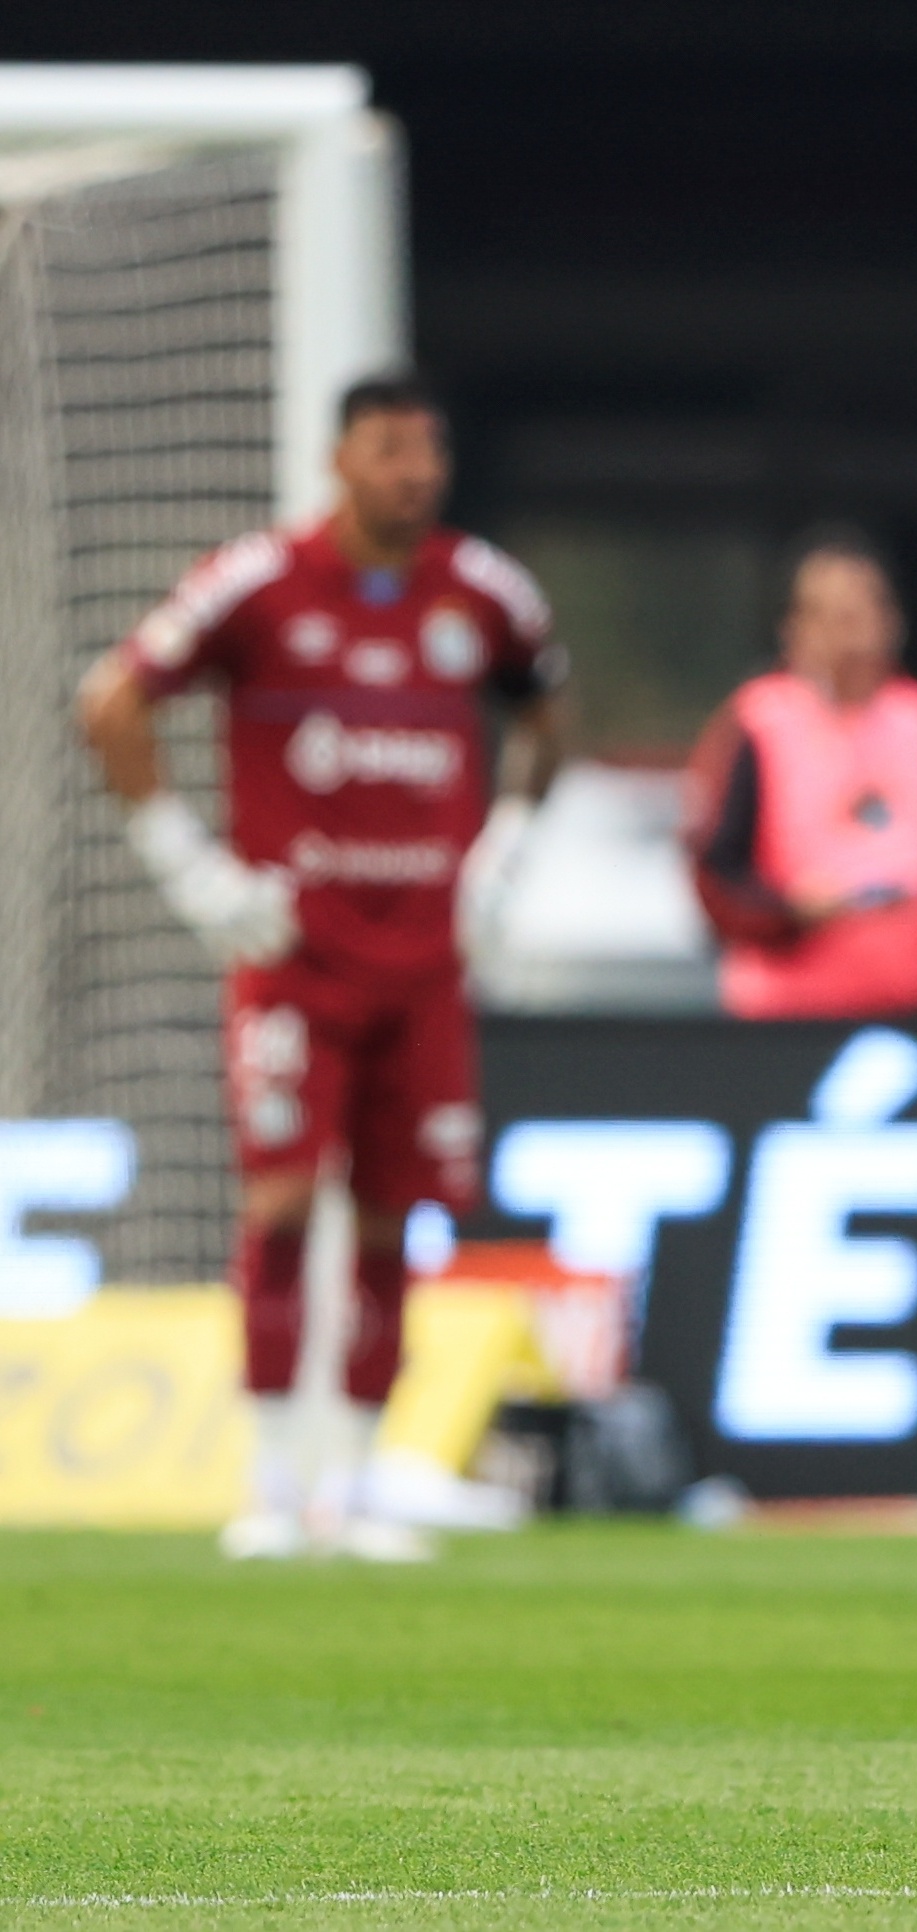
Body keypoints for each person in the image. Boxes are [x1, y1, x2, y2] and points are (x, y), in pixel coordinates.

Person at [78, 373, 564, 1563]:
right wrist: (188, 863)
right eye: (391, 449)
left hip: (424, 968)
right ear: (339, 460)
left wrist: (503, 843)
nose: (415, 472)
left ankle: (352, 1490)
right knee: (286, 1203)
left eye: (428, 450)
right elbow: (112, 701)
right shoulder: (257, 582)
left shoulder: (484, 591)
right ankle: (266, 1483)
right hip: (294, 958)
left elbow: (547, 712)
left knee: (394, 1221)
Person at [685, 528, 917, 1019]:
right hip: (787, 1016)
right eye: (830, 616)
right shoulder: (756, 720)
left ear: (891, 620)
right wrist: (788, 912)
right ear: (794, 627)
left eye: (861, 613)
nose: (848, 633)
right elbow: (714, 873)